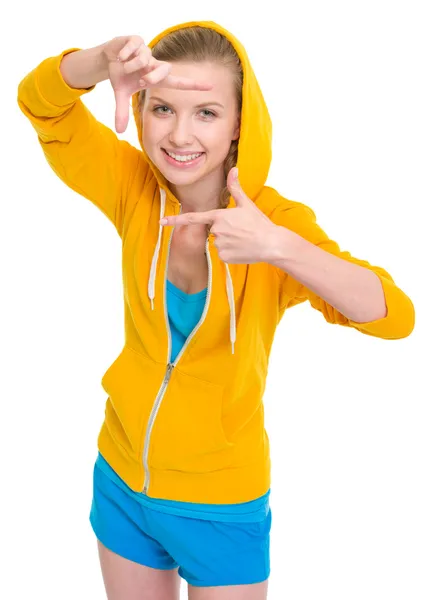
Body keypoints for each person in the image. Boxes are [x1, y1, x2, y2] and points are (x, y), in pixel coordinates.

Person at [17, 20, 415, 600]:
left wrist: (278, 247)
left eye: (206, 112)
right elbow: (40, 105)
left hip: (221, 504)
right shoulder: (133, 187)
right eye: (162, 109)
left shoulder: (275, 223)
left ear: (237, 126)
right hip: (123, 480)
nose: (179, 134)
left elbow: (393, 315)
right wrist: (99, 62)